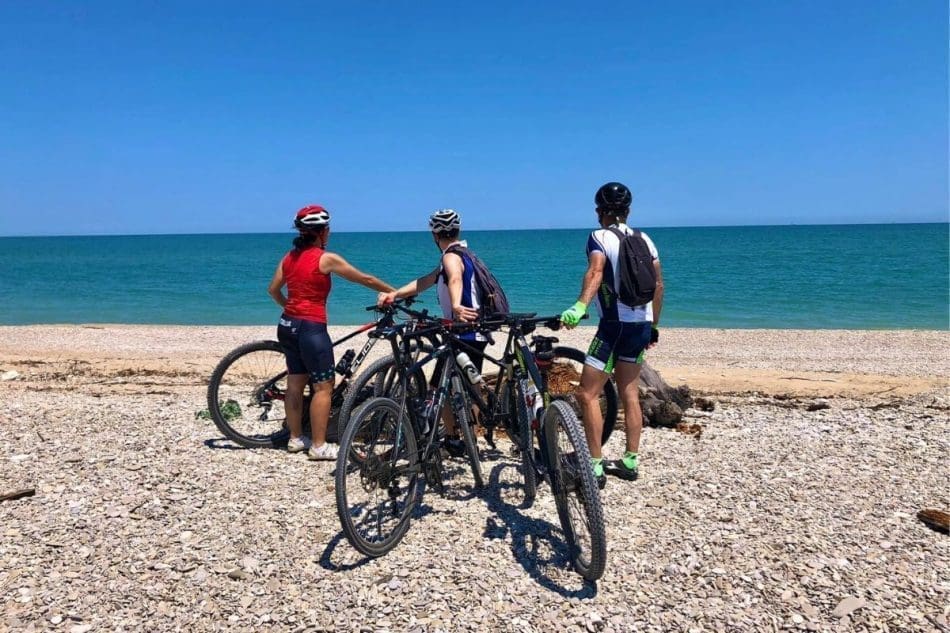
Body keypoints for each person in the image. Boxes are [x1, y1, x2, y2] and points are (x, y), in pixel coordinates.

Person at [268, 205, 395, 460]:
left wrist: (292, 308)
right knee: (323, 386)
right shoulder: (325, 258)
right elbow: (365, 279)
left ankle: (295, 439)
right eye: (328, 229)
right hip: (311, 328)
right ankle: (318, 446)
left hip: (287, 325)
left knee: (295, 383)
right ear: (322, 232)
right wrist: (394, 292)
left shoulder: (289, 258)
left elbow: (273, 290)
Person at [560, 182, 664, 487]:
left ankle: (594, 466)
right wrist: (653, 326)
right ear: (628, 211)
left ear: (599, 211)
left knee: (587, 394)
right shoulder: (646, 239)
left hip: (614, 325)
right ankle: (630, 461)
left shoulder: (599, 237)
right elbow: (659, 285)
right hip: (641, 324)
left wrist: (580, 306)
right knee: (629, 392)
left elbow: (596, 271)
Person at [376, 209, 485, 456]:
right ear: (457, 230)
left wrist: (456, 306)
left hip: (462, 330)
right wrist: (395, 294)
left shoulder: (451, 257)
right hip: (473, 330)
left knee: (442, 387)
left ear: (435, 235)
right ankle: (468, 440)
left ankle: (458, 439)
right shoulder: (463, 254)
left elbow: (455, 279)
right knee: (468, 386)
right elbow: (425, 281)